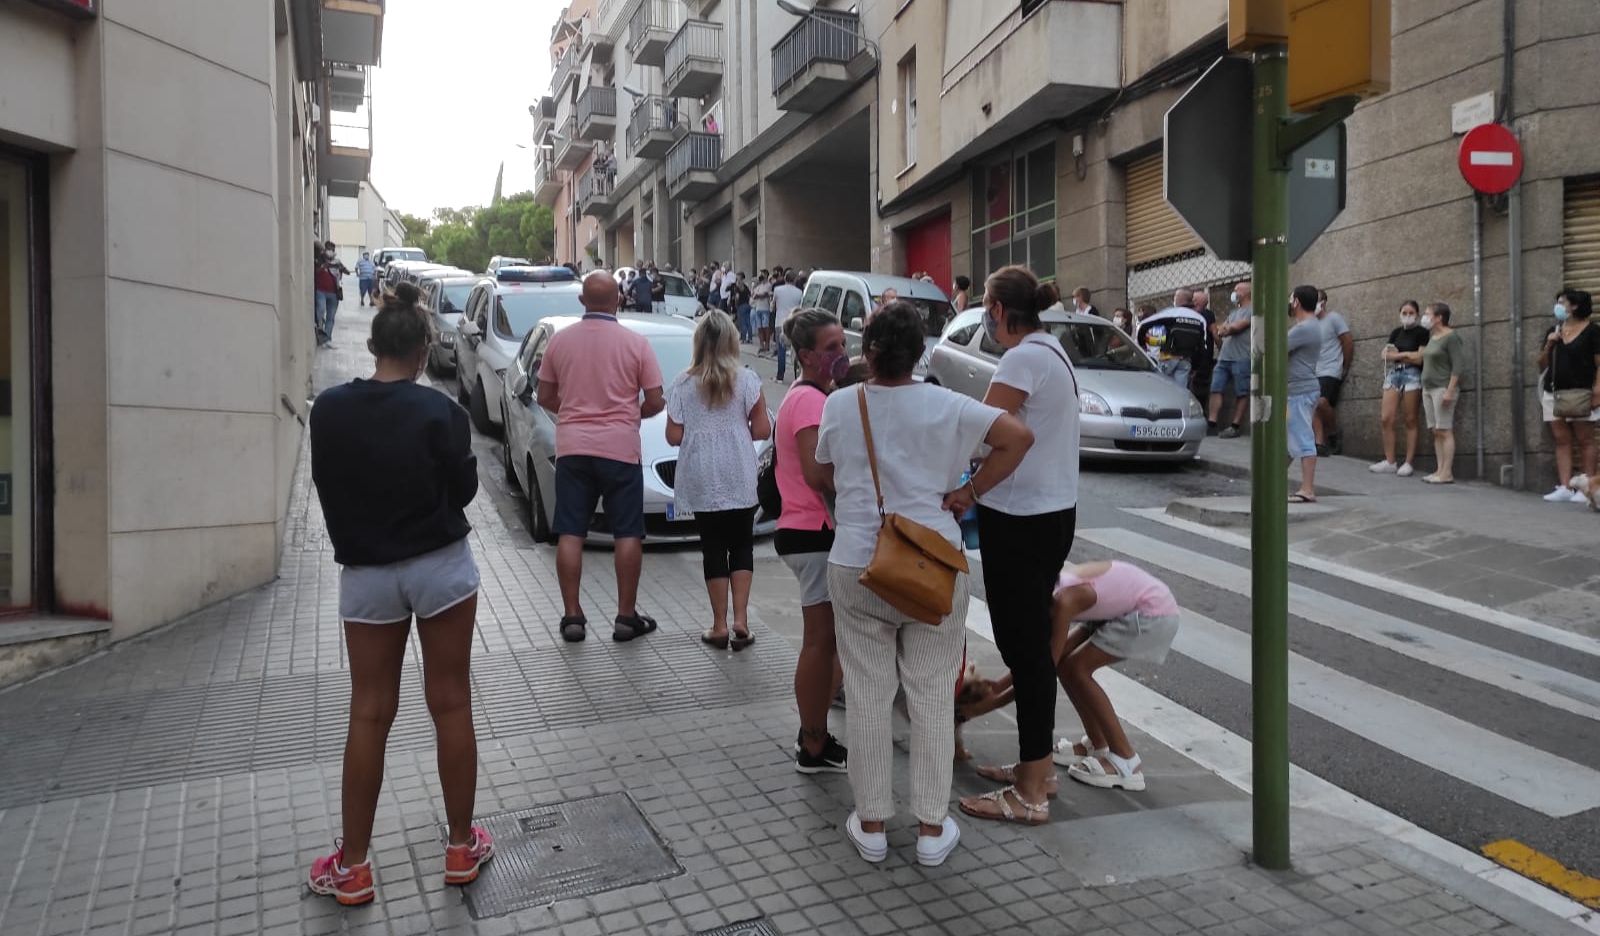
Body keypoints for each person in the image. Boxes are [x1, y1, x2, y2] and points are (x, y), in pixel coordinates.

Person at [812, 301, 1034, 867]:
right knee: (933, 694)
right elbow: (1017, 439)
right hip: (933, 563)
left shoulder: (841, 405)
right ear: (922, 354)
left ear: (870, 351)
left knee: (867, 693)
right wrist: (969, 493)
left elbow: (829, 472)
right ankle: (934, 829)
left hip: (859, 562)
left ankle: (872, 824)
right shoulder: (950, 404)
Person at [306, 283, 493, 905]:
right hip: (439, 567)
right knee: (450, 702)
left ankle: (353, 865)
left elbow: (326, 483)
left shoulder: (329, 410)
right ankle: (461, 847)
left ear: (372, 346)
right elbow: (464, 491)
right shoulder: (441, 413)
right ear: (420, 353)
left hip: (367, 574)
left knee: (368, 712)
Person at [951, 266, 1080, 827]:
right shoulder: (1053, 351)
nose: (985, 317)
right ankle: (1040, 769)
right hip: (1051, 514)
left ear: (999, 311)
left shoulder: (1022, 358)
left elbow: (985, 431)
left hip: (1022, 520)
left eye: (985, 306)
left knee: (1024, 652)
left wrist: (965, 488)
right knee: (1030, 649)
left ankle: (1030, 792)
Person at [536, 272, 666, 642]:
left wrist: (575, 412)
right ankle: (626, 617)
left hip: (573, 448)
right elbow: (656, 400)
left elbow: (544, 396)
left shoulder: (560, 343)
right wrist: (627, 417)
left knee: (571, 530)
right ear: (619, 300)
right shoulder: (635, 343)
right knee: (628, 531)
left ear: (581, 301)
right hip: (620, 450)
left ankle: (573, 616)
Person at [665, 311, 770, 649]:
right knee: (741, 544)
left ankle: (719, 625)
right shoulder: (747, 379)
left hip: (701, 473)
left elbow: (672, 436)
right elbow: (763, 430)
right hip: (737, 469)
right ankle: (741, 621)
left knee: (712, 546)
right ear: (731, 342)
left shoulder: (682, 383)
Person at [777, 307, 851, 774]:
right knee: (820, 642)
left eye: (843, 345)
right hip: (814, 532)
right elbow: (817, 473)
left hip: (810, 532)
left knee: (829, 642)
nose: (842, 355)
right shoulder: (809, 402)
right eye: (831, 349)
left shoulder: (815, 396)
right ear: (806, 355)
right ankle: (812, 743)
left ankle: (817, 737)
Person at [1051, 561, 1180, 791]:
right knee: (1069, 668)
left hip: (1151, 613)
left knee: (1078, 670)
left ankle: (1126, 761)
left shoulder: (1064, 600)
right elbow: (1056, 659)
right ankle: (1097, 744)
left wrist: (988, 701)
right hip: (1136, 608)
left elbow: (1045, 664)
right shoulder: (1061, 588)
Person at [1539, 289, 1600, 502]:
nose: (1558, 305)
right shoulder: (1553, 330)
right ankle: (1565, 486)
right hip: (1553, 392)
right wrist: (1549, 344)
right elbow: (1541, 365)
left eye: (1562, 302)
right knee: (1561, 439)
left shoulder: (1593, 331)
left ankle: (1588, 485)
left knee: (1585, 439)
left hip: (1581, 392)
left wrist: (1597, 391)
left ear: (1574, 306)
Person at [1371, 300, 1429, 477]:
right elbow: (1386, 355)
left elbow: (1420, 358)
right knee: (1386, 418)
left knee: (1410, 418)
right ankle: (1390, 461)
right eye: (1404, 312)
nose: (1407, 316)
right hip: (1394, 374)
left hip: (1413, 375)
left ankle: (1408, 462)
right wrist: (1407, 355)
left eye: (1411, 312)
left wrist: (1399, 355)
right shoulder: (1396, 332)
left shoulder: (1422, 332)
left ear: (1417, 315)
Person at [1420, 301, 1467, 484]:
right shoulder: (1433, 337)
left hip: (1442, 387)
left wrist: (1450, 390)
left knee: (1445, 430)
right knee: (1435, 430)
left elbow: (1458, 365)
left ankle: (1447, 472)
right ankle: (1439, 470)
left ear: (1439, 317)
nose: (1425, 317)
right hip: (1428, 388)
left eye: (1428, 314)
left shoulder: (1451, 337)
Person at [1287, 285, 1323, 502]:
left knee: (1302, 438)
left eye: (1291, 299)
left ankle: (1308, 489)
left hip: (1299, 391)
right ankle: (1272, 483)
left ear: (1297, 302)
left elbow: (1274, 348)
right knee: (1286, 439)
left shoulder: (1304, 328)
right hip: (1297, 390)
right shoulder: (1310, 326)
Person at [1136, 289, 1208, 389]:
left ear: (1178, 299)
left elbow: (1144, 325)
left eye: (1175, 297)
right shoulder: (1200, 319)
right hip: (1185, 361)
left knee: (1161, 389)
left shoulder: (1171, 313)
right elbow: (1202, 346)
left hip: (1167, 358)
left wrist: (1142, 345)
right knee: (1180, 392)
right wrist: (1195, 367)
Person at [1208, 282, 1252, 438]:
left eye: (1237, 290)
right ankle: (1212, 424)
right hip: (1224, 357)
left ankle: (1235, 425)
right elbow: (1222, 329)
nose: (1234, 292)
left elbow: (1234, 328)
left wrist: (1225, 329)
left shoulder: (1252, 311)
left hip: (1242, 358)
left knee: (1242, 392)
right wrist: (1224, 329)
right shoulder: (1234, 312)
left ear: (1246, 293)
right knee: (1216, 388)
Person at [1313, 288, 1353, 456]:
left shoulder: (1334, 318)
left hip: (1330, 369)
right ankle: (1319, 443)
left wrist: (1345, 366)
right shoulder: (1309, 323)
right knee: (1311, 405)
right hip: (1312, 371)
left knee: (1322, 402)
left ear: (1323, 303)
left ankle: (1333, 433)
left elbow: (1347, 341)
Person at [773, 270, 805, 382]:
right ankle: (799, 374)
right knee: (796, 349)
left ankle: (780, 376)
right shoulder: (799, 292)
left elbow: (774, 304)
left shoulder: (777, 290)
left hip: (780, 321)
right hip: (794, 321)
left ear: (785, 279)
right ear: (795, 280)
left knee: (781, 349)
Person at [1189, 288, 1218, 403]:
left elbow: (1214, 333)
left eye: (1193, 299)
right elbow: (1215, 333)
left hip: (1196, 357)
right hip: (1203, 358)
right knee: (1200, 389)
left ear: (1196, 302)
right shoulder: (1207, 314)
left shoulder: (1202, 314)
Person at [751, 271, 775, 355]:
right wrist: (758, 294)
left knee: (766, 327)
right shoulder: (758, 286)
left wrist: (759, 295)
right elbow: (753, 295)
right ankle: (761, 345)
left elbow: (764, 294)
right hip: (758, 308)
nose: (761, 275)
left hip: (765, 308)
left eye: (762, 274)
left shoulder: (769, 285)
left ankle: (767, 344)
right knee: (759, 328)